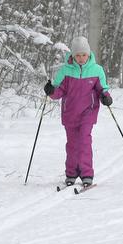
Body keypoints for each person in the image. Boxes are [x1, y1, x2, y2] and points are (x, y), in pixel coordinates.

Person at [43, 36, 113, 187]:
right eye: (78, 55)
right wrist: (50, 91)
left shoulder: (96, 70)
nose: (81, 58)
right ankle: (71, 173)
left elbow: (102, 89)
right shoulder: (65, 71)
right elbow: (58, 92)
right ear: (73, 55)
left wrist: (105, 97)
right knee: (72, 144)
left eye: (84, 55)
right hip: (70, 113)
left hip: (88, 112)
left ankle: (87, 173)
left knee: (84, 141)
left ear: (89, 54)